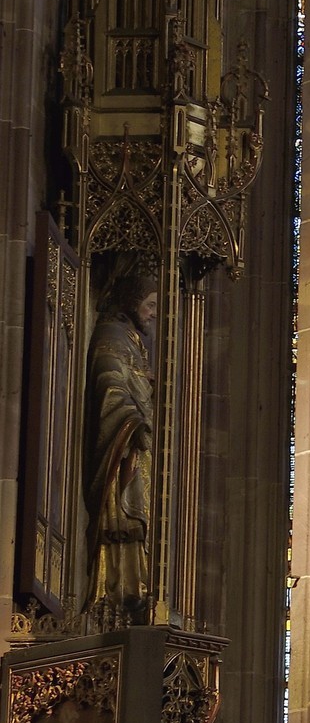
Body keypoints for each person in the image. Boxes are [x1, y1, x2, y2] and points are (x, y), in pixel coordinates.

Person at [82, 258, 158, 615]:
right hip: (123, 445)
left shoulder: (133, 340)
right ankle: (116, 591)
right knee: (124, 514)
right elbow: (108, 381)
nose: (155, 313)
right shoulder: (112, 335)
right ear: (132, 300)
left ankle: (135, 585)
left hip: (136, 445)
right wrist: (132, 419)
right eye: (151, 304)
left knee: (140, 516)